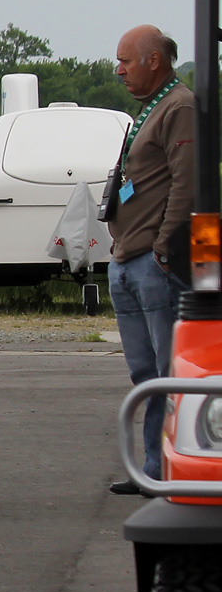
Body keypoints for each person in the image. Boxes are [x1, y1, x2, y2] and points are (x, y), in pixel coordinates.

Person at [105, 25, 195, 496]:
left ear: (154, 61)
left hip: (151, 264)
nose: (119, 70)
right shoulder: (149, 110)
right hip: (128, 258)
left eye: (125, 60)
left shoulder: (178, 107)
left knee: (167, 371)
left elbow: (185, 184)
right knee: (145, 374)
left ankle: (166, 469)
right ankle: (152, 468)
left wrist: (162, 247)